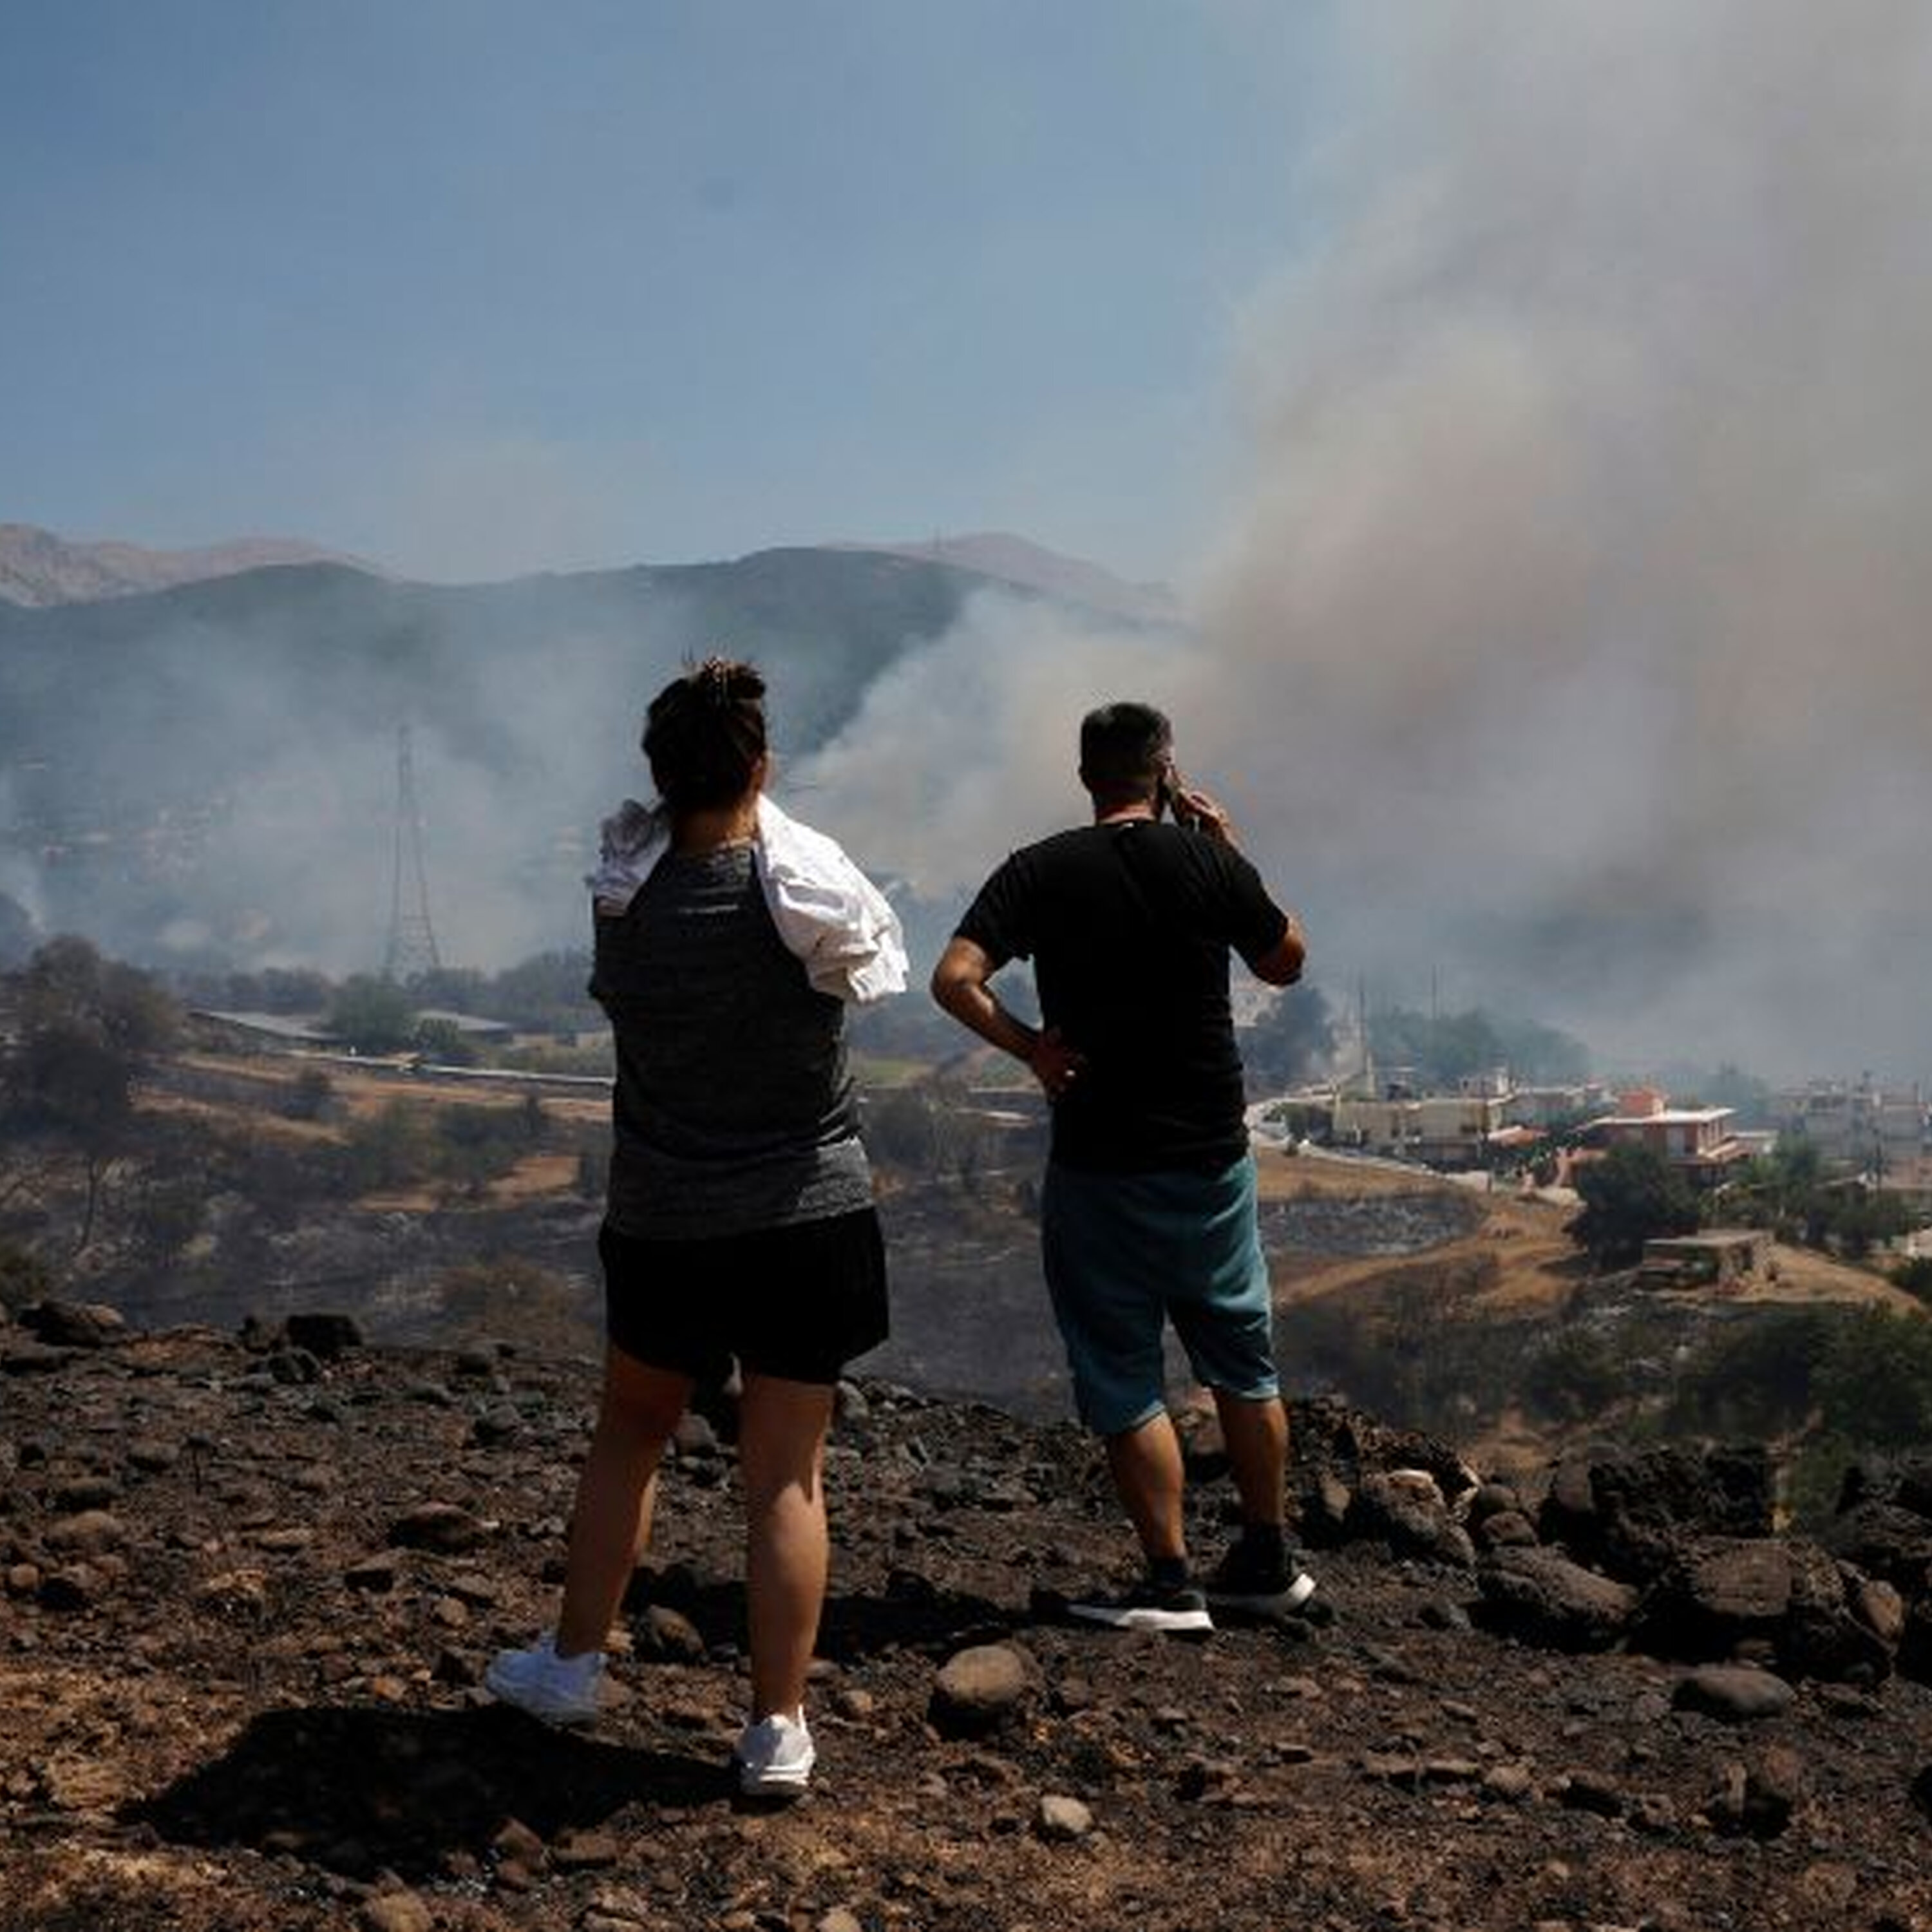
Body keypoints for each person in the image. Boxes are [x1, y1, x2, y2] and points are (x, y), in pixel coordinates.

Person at [488, 656, 905, 1797]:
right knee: (786, 1477)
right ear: (762, 771)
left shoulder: (626, 902)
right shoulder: (808, 899)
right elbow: (862, 970)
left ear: (658, 780)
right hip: (805, 1215)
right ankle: (777, 1729)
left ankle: (573, 1665)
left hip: (666, 1216)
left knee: (631, 1433)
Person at [931, 700, 1312, 1633]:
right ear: (1166, 771)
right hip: (1212, 1158)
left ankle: (1170, 1581)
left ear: (1085, 776)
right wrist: (1229, 847)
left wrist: (1030, 1047)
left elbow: (953, 979)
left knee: (1122, 1369)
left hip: (1101, 1161)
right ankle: (1267, 1558)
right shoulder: (1209, 859)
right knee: (1240, 1360)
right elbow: (1285, 963)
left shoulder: (1040, 871)